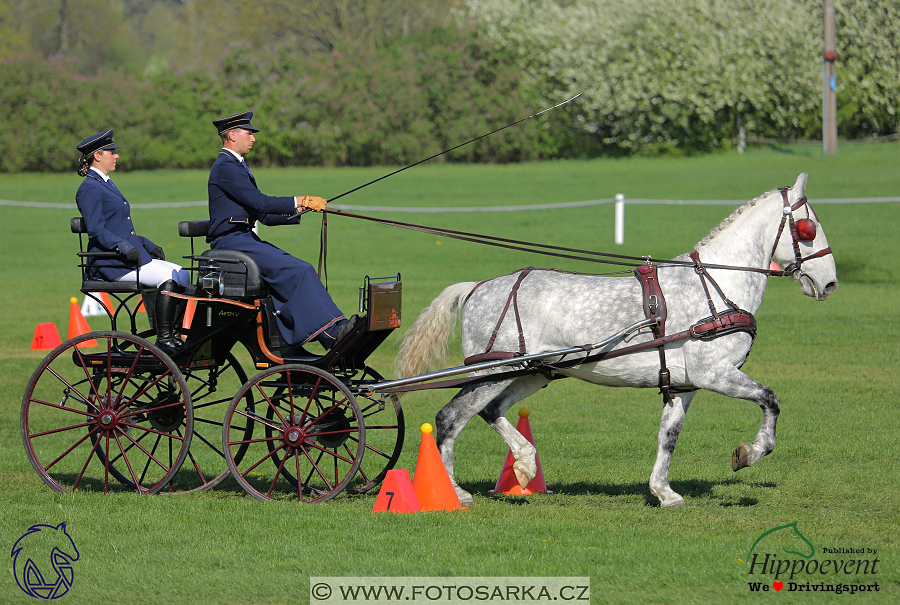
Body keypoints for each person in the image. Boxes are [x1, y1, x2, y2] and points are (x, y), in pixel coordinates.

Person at [206, 111, 356, 349]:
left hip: (244, 239)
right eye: (249, 133)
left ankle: (332, 329)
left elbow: (263, 215)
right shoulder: (226, 166)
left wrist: (301, 211)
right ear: (232, 135)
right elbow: (261, 203)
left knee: (300, 269)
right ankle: (332, 334)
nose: (253, 138)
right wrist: (302, 199)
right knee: (300, 270)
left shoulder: (236, 165)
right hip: (232, 242)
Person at [75, 130, 191, 355]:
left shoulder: (106, 183)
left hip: (125, 257)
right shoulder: (89, 188)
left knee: (182, 273)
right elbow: (97, 230)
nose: (116, 155)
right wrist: (122, 246)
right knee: (168, 277)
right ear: (97, 156)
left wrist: (145, 243)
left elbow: (120, 227)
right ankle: (164, 339)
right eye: (112, 152)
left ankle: (174, 335)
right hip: (111, 264)